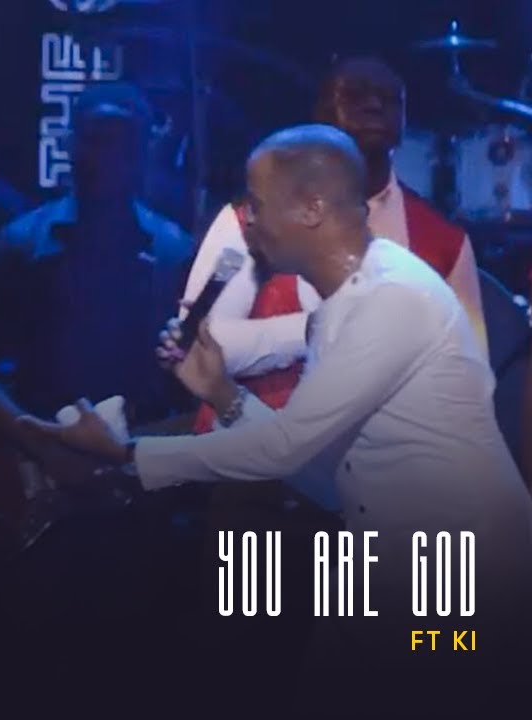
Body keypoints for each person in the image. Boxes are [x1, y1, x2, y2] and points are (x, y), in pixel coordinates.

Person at [21, 125, 532, 711]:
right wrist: (224, 394)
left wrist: (127, 454)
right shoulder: (338, 305)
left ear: (312, 209)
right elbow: (320, 475)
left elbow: (286, 447)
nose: (247, 221)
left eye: (257, 204)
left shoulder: (394, 299)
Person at [0, 82, 195, 665]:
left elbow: (198, 389)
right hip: (35, 493)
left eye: (123, 139)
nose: (106, 153)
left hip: (136, 500)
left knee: (133, 660)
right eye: (94, 137)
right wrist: (37, 441)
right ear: (69, 143)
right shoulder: (19, 244)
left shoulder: (175, 252)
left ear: (145, 149)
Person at [184, 57, 487, 441]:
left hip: (378, 464)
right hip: (241, 452)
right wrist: (310, 329)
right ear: (320, 113)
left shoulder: (444, 241)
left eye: (389, 99)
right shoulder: (251, 220)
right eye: (355, 95)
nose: (374, 106)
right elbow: (200, 348)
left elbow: (469, 375)